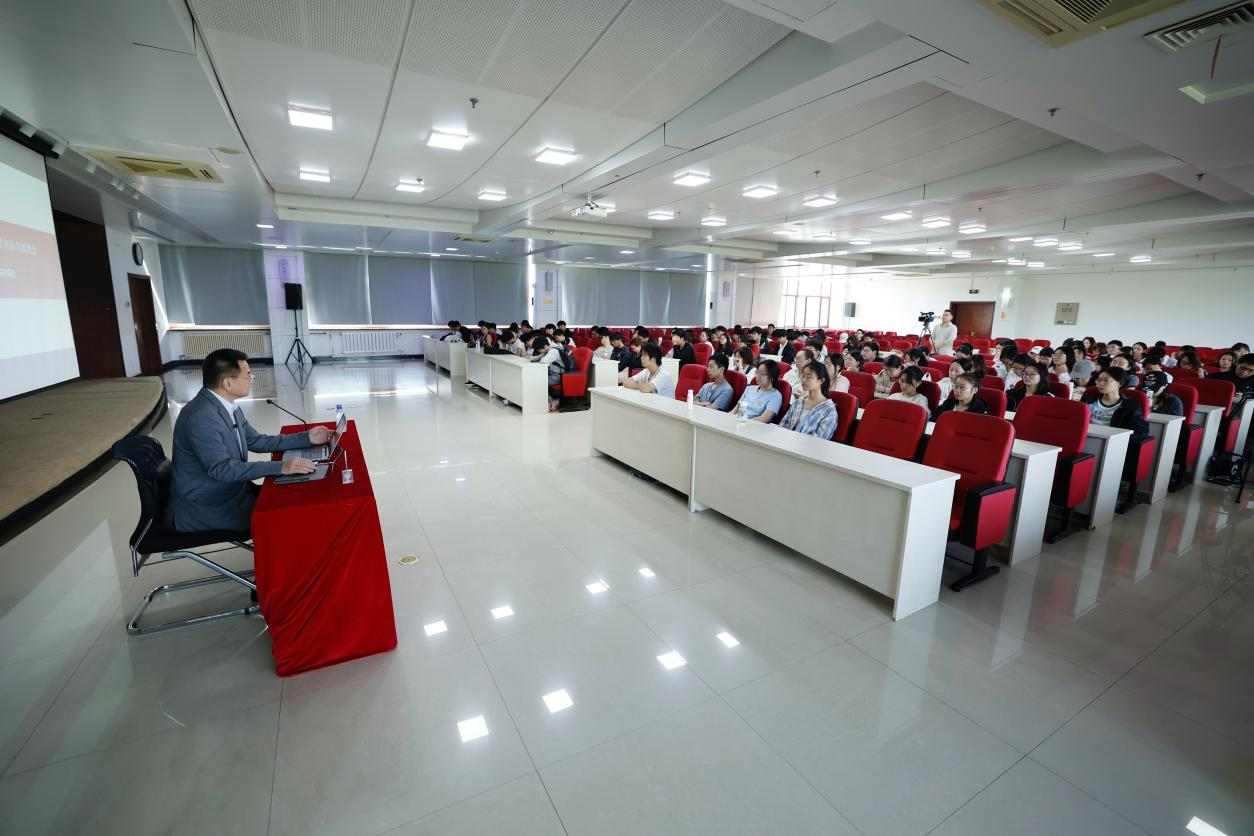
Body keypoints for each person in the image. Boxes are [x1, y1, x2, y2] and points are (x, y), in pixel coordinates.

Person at [166, 349, 330, 533]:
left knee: (298, 493)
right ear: (227, 383)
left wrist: (306, 438)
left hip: (233, 493)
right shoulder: (201, 417)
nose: (252, 380)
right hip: (208, 506)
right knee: (293, 514)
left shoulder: (227, 405)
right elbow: (222, 469)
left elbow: (257, 441)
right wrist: (282, 467)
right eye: (248, 375)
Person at [780, 362, 838, 438]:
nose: (803, 380)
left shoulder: (829, 410)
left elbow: (821, 439)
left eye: (809, 377)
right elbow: (782, 426)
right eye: (802, 376)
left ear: (821, 381)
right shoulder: (798, 402)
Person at [530, 335, 566, 412]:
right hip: (552, 374)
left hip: (558, 376)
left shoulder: (553, 351)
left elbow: (544, 361)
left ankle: (552, 401)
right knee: (533, 379)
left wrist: (539, 358)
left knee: (537, 382)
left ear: (545, 346)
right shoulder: (548, 349)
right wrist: (534, 358)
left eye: (539, 350)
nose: (539, 351)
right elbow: (540, 356)